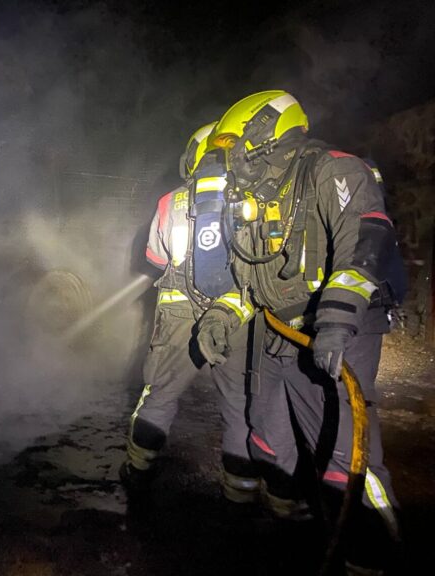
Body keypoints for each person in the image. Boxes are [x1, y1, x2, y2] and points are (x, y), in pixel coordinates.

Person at [197, 90, 402, 574]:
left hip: (335, 332)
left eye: (234, 143)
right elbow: (251, 278)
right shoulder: (254, 196)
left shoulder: (334, 170)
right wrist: (223, 313)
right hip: (277, 333)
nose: (231, 156)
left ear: (265, 132)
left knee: (342, 456)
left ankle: (371, 557)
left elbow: (366, 241)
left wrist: (336, 319)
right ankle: (293, 532)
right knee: (267, 434)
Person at [120, 123, 260, 505]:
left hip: (179, 313)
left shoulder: (171, 201)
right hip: (235, 313)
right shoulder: (251, 197)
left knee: (160, 394)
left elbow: (155, 257)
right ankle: (241, 494)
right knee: (240, 404)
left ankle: (138, 470)